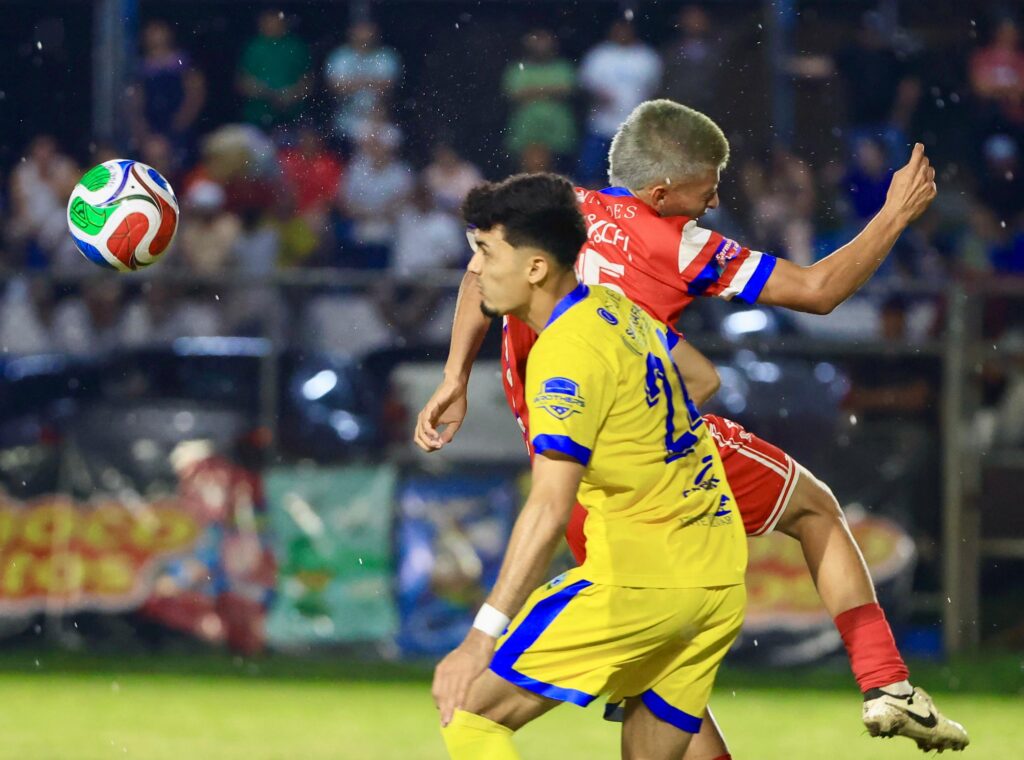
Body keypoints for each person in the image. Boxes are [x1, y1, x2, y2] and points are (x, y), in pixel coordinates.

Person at [415, 100, 968, 754]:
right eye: (706, 187)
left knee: (646, 669)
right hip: (661, 484)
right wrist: (894, 215)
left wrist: (455, 375)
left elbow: (478, 270)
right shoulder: (673, 246)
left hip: (586, 480)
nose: (713, 201)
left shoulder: (557, 217)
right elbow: (816, 291)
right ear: (659, 192)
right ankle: (886, 682)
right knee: (813, 510)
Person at [432, 173, 746, 759]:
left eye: (487, 253)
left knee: (470, 712)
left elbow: (549, 507)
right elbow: (703, 378)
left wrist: (480, 637)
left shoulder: (564, 355)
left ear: (535, 268)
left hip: (639, 581)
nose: (475, 270)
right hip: (718, 575)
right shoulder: (617, 310)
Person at [577, 20, 662, 187]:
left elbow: (656, 89)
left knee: (633, 176)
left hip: (635, 128)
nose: (622, 33)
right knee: (591, 172)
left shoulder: (647, 56)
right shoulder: (599, 55)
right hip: (601, 125)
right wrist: (597, 96)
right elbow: (584, 86)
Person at [501, 29, 576, 165]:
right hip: (525, 129)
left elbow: (567, 90)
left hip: (557, 129)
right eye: (537, 41)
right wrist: (550, 90)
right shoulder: (517, 68)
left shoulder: (563, 67)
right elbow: (514, 93)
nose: (541, 46)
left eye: (544, 41)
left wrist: (532, 90)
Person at [323, 20, 401, 143]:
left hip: (379, 119)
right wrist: (371, 81)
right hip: (346, 119)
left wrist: (355, 83)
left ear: (375, 31)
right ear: (351, 31)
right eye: (360, 29)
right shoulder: (340, 56)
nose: (364, 34)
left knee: (390, 136)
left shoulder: (386, 56)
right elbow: (336, 88)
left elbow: (387, 88)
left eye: (367, 29)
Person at [236, 9, 311, 130]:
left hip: (292, 119)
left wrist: (290, 95)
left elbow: (308, 81)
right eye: (268, 20)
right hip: (256, 119)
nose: (272, 24)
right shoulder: (252, 47)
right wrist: (268, 94)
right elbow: (242, 82)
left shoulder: (297, 47)